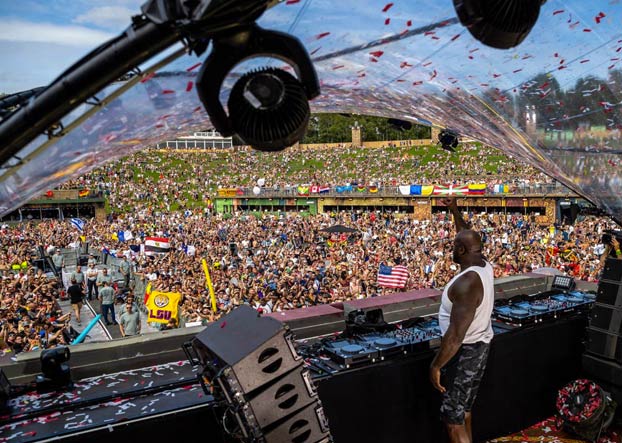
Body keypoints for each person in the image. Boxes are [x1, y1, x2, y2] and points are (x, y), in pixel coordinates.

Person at [429, 197, 494, 443]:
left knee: (453, 421)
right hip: (479, 348)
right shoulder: (483, 265)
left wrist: (435, 365)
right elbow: (466, 236)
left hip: (464, 353)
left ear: (461, 251)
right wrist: (454, 210)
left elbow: (456, 336)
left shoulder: (467, 284)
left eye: (454, 247)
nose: (452, 249)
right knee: (464, 409)